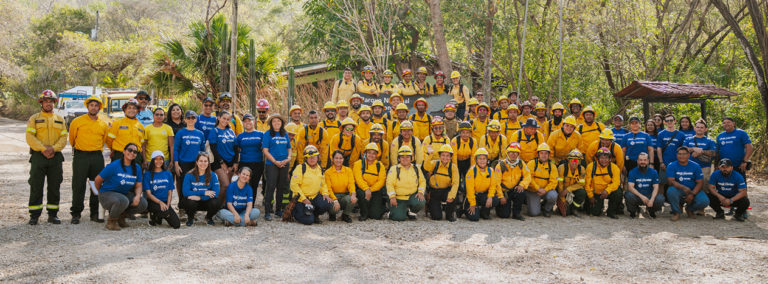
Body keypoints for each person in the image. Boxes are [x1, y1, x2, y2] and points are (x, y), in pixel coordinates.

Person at [26, 90, 68, 225]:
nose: (48, 104)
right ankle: (34, 215)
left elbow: (63, 138)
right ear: (41, 103)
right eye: (46, 101)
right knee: (36, 185)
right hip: (39, 156)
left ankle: (53, 214)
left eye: (51, 101)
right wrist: (44, 149)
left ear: (54, 103)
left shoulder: (60, 119)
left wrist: (53, 149)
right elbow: (30, 137)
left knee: (55, 186)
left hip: (55, 157)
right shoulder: (34, 118)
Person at [68, 95, 109, 224]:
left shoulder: (103, 124)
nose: (94, 107)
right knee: (78, 185)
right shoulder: (77, 121)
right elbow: (72, 139)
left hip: (97, 156)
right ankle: (76, 213)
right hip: (81, 156)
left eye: (96, 106)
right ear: (87, 106)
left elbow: (104, 140)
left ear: (99, 108)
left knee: (96, 185)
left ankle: (95, 213)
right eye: (91, 105)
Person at [94, 143, 148, 230]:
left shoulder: (137, 167)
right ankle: (111, 222)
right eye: (130, 150)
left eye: (135, 152)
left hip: (124, 195)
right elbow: (97, 180)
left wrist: (138, 196)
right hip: (107, 194)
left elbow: (139, 185)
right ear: (124, 151)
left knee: (143, 203)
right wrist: (100, 192)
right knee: (123, 200)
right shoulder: (114, 165)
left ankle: (120, 217)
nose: (132, 153)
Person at [290, 145, 333, 225]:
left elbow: (323, 184)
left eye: (314, 156)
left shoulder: (320, 169)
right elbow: (294, 185)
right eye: (309, 157)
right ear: (306, 158)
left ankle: (314, 214)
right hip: (301, 199)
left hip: (314, 197)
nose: (312, 159)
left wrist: (325, 193)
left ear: (317, 157)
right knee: (309, 221)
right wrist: (303, 199)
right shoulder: (300, 168)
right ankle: (295, 212)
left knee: (327, 203)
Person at [262, 113, 292, 220]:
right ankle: (267, 211)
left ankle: (278, 210)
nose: (276, 123)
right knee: (270, 187)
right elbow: (265, 151)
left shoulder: (285, 134)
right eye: (274, 121)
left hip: (284, 163)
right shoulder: (267, 134)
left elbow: (289, 148)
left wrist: (288, 158)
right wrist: (275, 161)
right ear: (271, 123)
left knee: (281, 187)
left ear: (282, 123)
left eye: (278, 121)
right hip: (272, 164)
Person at [666, 146, 708, 221]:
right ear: (676, 155)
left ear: (689, 155)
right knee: (671, 191)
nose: (682, 156)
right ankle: (676, 212)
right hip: (679, 190)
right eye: (679, 154)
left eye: (684, 154)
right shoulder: (671, 165)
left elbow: (700, 182)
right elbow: (670, 181)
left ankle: (690, 209)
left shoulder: (696, 166)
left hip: (693, 189)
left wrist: (692, 194)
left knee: (704, 201)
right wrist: (683, 187)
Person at [386, 146, 427, 221]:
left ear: (411, 158)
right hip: (398, 198)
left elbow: (422, 181)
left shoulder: (416, 169)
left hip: (411, 197)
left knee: (421, 202)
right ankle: (393, 212)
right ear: (399, 158)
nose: (405, 159)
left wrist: (420, 192)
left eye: (407, 157)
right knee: (399, 218)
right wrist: (392, 197)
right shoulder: (394, 169)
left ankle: (411, 212)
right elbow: (389, 184)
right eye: (402, 157)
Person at [173, 111, 207, 201]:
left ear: (196, 119)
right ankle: (182, 205)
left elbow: (202, 151)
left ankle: (193, 206)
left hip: (196, 164)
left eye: (193, 118)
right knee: (183, 184)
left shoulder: (200, 134)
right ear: (185, 119)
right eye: (188, 118)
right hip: (183, 163)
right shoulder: (180, 133)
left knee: (195, 184)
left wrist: (203, 165)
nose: (191, 120)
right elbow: (176, 149)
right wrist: (176, 164)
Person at [143, 151, 180, 229]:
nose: (158, 161)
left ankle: (158, 216)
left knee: (176, 224)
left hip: (165, 201)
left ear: (163, 160)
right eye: (156, 159)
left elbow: (170, 192)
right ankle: (154, 215)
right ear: (152, 160)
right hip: (153, 202)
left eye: (161, 159)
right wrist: (160, 202)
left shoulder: (168, 173)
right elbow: (149, 194)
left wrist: (168, 204)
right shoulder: (147, 174)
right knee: (165, 212)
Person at [423, 144, 460, 221]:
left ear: (450, 157)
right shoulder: (434, 163)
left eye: (447, 155)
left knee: (454, 196)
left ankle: (449, 212)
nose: (445, 158)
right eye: (443, 155)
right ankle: (431, 206)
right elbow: (426, 167)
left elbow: (455, 183)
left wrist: (451, 196)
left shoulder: (453, 167)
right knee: (437, 217)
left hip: (446, 190)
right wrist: (429, 155)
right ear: (439, 156)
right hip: (434, 192)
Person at [181, 153, 220, 226]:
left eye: (205, 161)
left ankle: (208, 217)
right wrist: (204, 192)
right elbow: (185, 192)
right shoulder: (189, 175)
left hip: (206, 201)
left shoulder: (213, 175)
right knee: (187, 201)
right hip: (194, 202)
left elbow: (216, 192)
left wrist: (200, 197)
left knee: (216, 202)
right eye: (201, 161)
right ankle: (191, 218)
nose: (203, 163)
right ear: (196, 162)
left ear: (208, 163)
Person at [208, 111, 238, 203]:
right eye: (224, 118)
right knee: (225, 185)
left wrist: (235, 162)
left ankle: (224, 206)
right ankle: (215, 206)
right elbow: (213, 148)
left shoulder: (231, 131)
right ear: (218, 118)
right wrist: (222, 162)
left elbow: (236, 148)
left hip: (231, 162)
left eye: (228, 119)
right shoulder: (214, 131)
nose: (225, 121)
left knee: (228, 187)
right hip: (219, 162)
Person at [495, 143, 531, 220]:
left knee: (521, 192)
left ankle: (516, 213)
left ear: (518, 154)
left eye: (515, 152)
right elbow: (496, 183)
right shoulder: (501, 165)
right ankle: (499, 207)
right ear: (507, 153)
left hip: (515, 189)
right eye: (511, 152)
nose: (513, 154)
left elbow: (528, 176)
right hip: (504, 192)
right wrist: (501, 197)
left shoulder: (521, 164)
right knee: (504, 215)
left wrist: (522, 185)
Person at [353, 143, 388, 221]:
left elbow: (381, 181)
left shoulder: (380, 165)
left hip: (375, 191)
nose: (371, 155)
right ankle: (364, 213)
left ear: (376, 155)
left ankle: (381, 207)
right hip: (363, 190)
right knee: (361, 193)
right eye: (369, 152)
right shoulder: (358, 164)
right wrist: (366, 189)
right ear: (365, 153)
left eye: (374, 153)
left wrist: (370, 190)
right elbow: (358, 179)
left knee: (376, 216)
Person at [464, 148, 500, 221]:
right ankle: (463, 210)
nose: (482, 161)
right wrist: (473, 203)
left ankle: (484, 212)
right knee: (474, 218)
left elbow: (493, 185)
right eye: (480, 158)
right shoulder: (471, 171)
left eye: (484, 158)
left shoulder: (490, 171)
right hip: (473, 196)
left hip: (483, 195)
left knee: (495, 199)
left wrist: (490, 197)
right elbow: (470, 190)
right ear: (476, 160)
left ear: (487, 160)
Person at [585, 147, 622, 219]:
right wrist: (590, 196)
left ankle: (611, 212)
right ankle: (598, 206)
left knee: (618, 192)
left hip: (608, 192)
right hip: (595, 193)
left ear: (610, 159)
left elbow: (616, 182)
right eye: (601, 158)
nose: (604, 160)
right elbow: (587, 184)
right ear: (597, 158)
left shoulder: (614, 167)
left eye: (606, 158)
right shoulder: (591, 166)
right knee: (595, 213)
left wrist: (607, 191)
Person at [625, 152, 664, 219]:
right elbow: (630, 187)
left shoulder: (654, 172)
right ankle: (634, 210)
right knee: (628, 195)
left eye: (645, 160)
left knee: (660, 198)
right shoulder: (632, 172)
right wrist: (642, 196)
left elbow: (656, 187)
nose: (642, 162)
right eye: (640, 160)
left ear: (648, 161)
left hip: (649, 195)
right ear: (637, 161)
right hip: (637, 196)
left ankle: (651, 210)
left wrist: (652, 199)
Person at [235, 114, 265, 200]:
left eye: (249, 121)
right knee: (244, 184)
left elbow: (265, 148)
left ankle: (251, 205)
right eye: (245, 121)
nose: (247, 123)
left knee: (254, 185)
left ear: (254, 122)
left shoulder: (261, 134)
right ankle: (241, 203)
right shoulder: (240, 136)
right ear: (243, 123)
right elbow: (237, 151)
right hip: (244, 163)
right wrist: (236, 163)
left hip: (257, 163)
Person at [107, 99, 145, 163]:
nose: (132, 110)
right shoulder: (117, 123)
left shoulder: (140, 126)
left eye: (134, 108)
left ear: (138, 110)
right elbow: (109, 140)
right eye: (129, 108)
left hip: (136, 157)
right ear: (125, 110)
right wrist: (113, 150)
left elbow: (142, 143)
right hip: (119, 155)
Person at [526, 143, 559, 217]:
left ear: (549, 155)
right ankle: (536, 205)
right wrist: (538, 188)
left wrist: (545, 190)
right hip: (533, 191)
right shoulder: (531, 163)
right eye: (541, 153)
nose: (544, 155)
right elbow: (529, 178)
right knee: (534, 213)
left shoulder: (552, 166)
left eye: (546, 153)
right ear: (538, 154)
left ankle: (547, 209)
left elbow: (554, 182)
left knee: (553, 195)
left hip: (546, 191)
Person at [326, 151, 357, 222]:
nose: (338, 160)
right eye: (336, 158)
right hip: (333, 195)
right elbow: (328, 188)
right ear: (332, 159)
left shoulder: (348, 170)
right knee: (334, 209)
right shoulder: (328, 172)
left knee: (352, 199)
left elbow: (351, 183)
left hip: (344, 195)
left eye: (340, 158)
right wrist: (335, 200)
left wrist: (353, 194)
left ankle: (345, 215)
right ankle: (332, 214)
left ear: (343, 159)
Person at [683, 119, 716, 185]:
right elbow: (683, 149)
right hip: (689, 166)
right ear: (695, 128)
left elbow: (713, 153)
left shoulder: (710, 141)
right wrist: (693, 149)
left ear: (705, 129)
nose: (699, 129)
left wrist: (701, 152)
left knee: (704, 185)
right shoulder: (688, 139)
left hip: (704, 167)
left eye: (701, 127)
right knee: (689, 185)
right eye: (698, 127)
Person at [556, 150, 587, 217]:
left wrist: (568, 189)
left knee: (582, 193)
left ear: (580, 162)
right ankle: (559, 206)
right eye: (572, 160)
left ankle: (574, 208)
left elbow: (581, 184)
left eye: (577, 161)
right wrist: (562, 199)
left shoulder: (582, 169)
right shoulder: (562, 168)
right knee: (565, 213)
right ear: (568, 160)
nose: (574, 163)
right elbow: (560, 185)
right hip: (562, 191)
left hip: (572, 190)